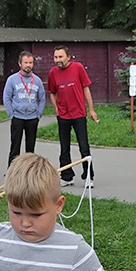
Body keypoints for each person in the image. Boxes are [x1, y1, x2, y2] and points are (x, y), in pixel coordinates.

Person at [47, 46, 97, 188]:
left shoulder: (78, 68)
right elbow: (52, 92)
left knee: (84, 147)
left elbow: (86, 88)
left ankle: (88, 177)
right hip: (63, 115)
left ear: (68, 57)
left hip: (79, 114)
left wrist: (91, 110)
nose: (58, 60)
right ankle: (67, 176)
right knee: (64, 148)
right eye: (56, 57)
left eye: (60, 57)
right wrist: (56, 109)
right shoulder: (53, 72)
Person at [4, 51, 46, 167]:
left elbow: (42, 98)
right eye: (26, 62)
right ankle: (12, 171)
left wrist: (39, 114)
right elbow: (6, 98)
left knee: (30, 147)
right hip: (17, 117)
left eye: (31, 62)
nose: (28, 65)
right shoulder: (12, 80)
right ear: (20, 63)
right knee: (15, 146)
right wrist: (11, 115)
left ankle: (29, 171)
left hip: (32, 118)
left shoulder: (37, 80)